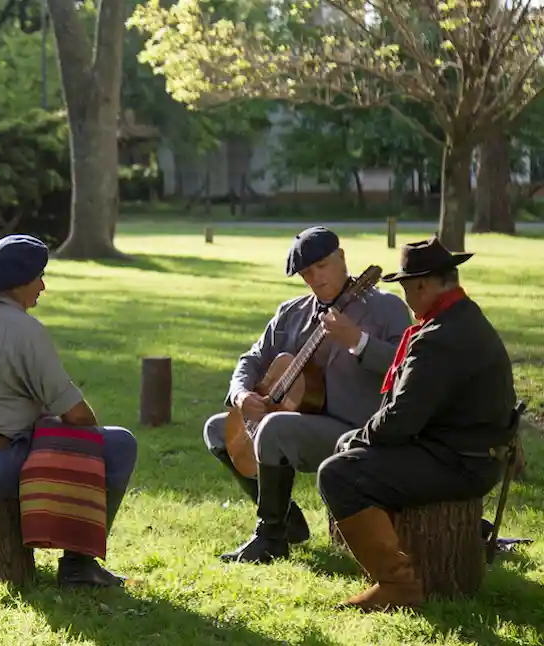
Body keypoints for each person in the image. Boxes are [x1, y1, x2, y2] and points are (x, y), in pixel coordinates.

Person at [0, 234, 139, 588]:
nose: (43, 286)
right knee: (118, 444)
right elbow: (77, 416)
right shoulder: (24, 329)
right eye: (38, 276)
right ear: (18, 281)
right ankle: (80, 564)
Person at [318, 237, 518, 612]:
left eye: (407, 288)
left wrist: (360, 440)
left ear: (423, 285)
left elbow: (398, 422)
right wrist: (358, 440)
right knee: (349, 447)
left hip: (461, 463)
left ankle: (397, 584)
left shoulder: (440, 338)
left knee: (337, 474)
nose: (407, 299)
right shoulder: (462, 317)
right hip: (466, 452)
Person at [203, 226, 412, 563]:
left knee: (275, 429)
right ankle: (287, 520)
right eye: (306, 273)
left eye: (322, 266)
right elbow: (252, 359)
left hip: (355, 429)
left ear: (342, 258)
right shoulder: (291, 312)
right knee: (217, 429)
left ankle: (269, 537)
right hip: (301, 424)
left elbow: (406, 366)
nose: (315, 278)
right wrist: (241, 393)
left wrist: (357, 341)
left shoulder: (385, 308)